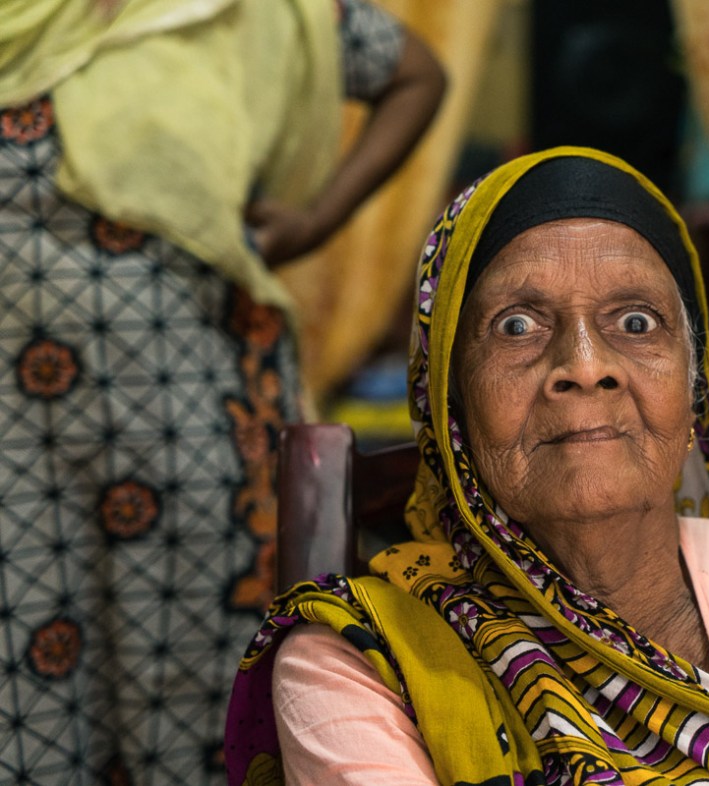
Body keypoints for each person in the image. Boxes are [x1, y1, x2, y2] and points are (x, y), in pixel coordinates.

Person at [225, 147, 709, 785]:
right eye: (518, 326)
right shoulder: (359, 655)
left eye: (635, 323)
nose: (584, 367)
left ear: (694, 390)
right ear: (448, 402)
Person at [0, 0, 444, 782]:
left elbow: (418, 75)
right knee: (24, 685)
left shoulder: (247, 6)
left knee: (188, 685)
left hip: (185, 414)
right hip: (13, 428)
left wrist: (315, 221)